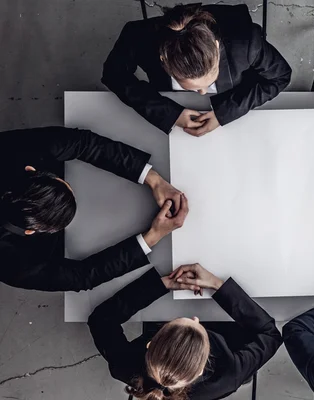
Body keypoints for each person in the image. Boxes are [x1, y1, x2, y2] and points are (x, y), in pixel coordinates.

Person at [0, 126, 188, 291]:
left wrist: (154, 180)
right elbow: (81, 277)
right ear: (30, 231)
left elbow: (83, 142)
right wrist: (152, 236)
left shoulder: (13, 148)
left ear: (30, 169)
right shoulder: (10, 265)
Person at [88, 263, 283, 400]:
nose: (196, 318)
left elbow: (101, 320)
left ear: (152, 343)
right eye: (198, 326)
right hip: (231, 333)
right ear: (201, 369)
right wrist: (217, 285)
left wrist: (161, 285)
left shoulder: (126, 367)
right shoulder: (227, 376)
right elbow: (271, 335)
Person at [102, 3, 292, 137]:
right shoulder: (139, 37)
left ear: (216, 48)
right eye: (191, 86)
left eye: (208, 81)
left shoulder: (247, 41)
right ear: (164, 61)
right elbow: (113, 74)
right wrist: (169, 113)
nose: (202, 93)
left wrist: (225, 112)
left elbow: (281, 76)